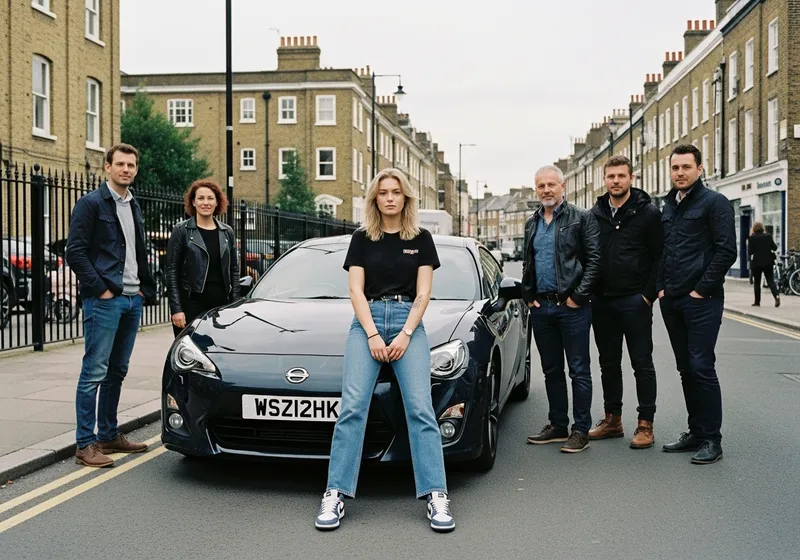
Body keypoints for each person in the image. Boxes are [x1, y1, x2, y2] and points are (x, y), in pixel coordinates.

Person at [314, 168, 454, 533]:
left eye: (396, 192)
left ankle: (436, 495)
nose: (389, 198)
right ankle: (335, 493)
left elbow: (423, 293)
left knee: (421, 409)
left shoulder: (421, 239)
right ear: (375, 198)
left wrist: (406, 334)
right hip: (368, 322)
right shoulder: (362, 238)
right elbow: (355, 292)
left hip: (410, 321)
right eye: (383, 192)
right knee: (353, 407)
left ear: (406, 198)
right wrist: (374, 335)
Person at [66, 144, 157, 468]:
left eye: (131, 165)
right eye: (120, 164)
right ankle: (85, 444)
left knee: (117, 371)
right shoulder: (91, 204)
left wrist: (144, 290)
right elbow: (74, 251)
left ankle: (108, 434)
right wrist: (101, 290)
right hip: (106, 301)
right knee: (94, 372)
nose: (126, 169)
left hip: (133, 299)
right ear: (107, 167)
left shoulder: (134, 205)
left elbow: (138, 252)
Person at [658, 144, 736, 465]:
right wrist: (660, 287)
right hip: (672, 301)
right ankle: (695, 431)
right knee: (685, 369)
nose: (680, 173)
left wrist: (702, 290)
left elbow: (726, 251)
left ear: (700, 169)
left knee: (702, 367)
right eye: (675, 168)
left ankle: (712, 439)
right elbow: (661, 250)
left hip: (701, 302)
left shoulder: (715, 203)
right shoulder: (667, 206)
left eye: (686, 167)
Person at [522, 165, 601, 453]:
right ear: (536, 189)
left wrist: (578, 297)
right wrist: (528, 293)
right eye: (541, 185)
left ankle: (581, 430)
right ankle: (557, 424)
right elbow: (528, 262)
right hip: (542, 308)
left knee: (579, 370)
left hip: (572, 308)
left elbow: (594, 262)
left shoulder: (581, 218)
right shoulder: (531, 222)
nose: (546, 190)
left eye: (551, 185)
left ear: (562, 186)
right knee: (551, 370)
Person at [589, 155, 663, 449]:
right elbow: (588, 256)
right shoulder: (594, 215)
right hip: (603, 301)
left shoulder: (648, 214)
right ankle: (613, 419)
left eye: (621, 176)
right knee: (608, 363)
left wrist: (647, 294)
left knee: (642, 364)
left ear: (631, 178)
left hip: (635, 300)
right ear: (604, 180)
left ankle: (646, 424)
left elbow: (659, 256)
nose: (616, 181)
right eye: (611, 176)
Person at [166, 180, 239, 337]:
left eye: (210, 198)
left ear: (217, 201)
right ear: (193, 202)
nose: (205, 202)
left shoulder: (227, 232)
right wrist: (176, 309)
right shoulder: (181, 230)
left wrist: (234, 306)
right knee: (190, 353)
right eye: (200, 198)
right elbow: (171, 271)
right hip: (191, 304)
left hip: (220, 305)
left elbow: (234, 270)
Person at [747, 221, 780, 307]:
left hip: (757, 263)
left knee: (757, 282)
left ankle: (757, 302)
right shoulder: (768, 236)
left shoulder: (752, 238)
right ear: (762, 228)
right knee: (770, 281)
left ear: (754, 229)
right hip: (768, 262)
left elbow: (750, 252)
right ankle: (776, 296)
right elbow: (775, 248)